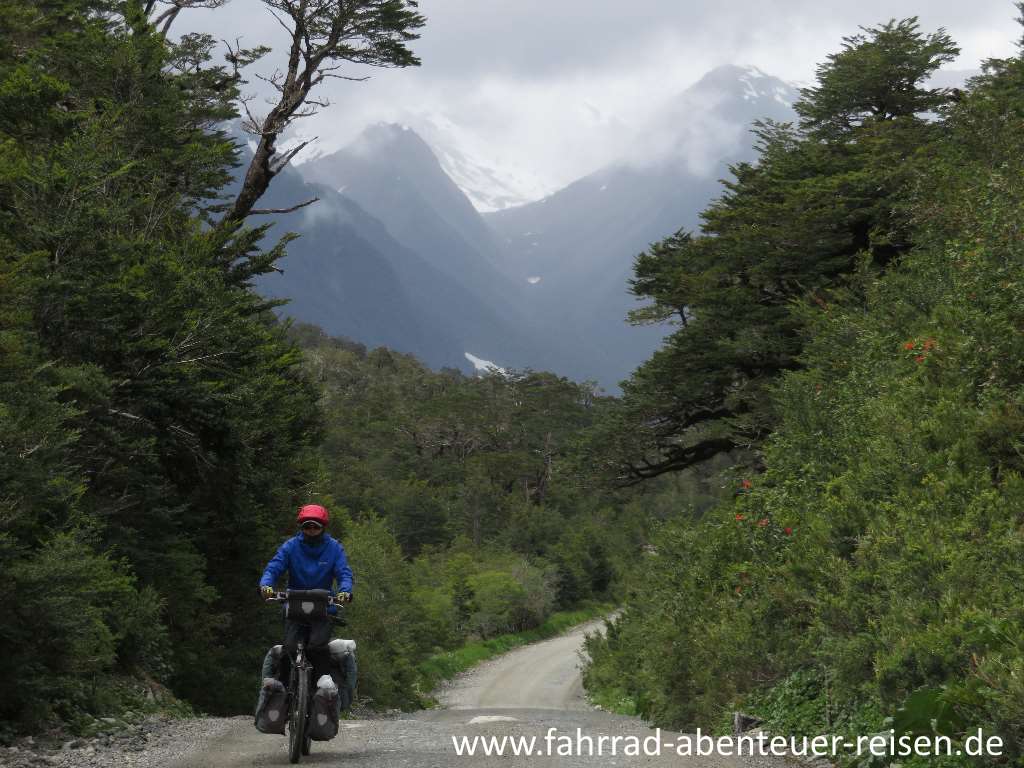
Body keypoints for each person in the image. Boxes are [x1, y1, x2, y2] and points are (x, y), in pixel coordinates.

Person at [259, 504, 354, 683]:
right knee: (289, 648)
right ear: (301, 527)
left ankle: (323, 690)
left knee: (317, 647)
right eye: (307, 526)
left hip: (323, 607)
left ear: (323, 527)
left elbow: (344, 573)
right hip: (295, 606)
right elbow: (273, 568)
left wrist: (344, 591)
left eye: (315, 526)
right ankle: (284, 691)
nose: (311, 530)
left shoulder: (334, 548)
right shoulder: (290, 546)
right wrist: (266, 586)